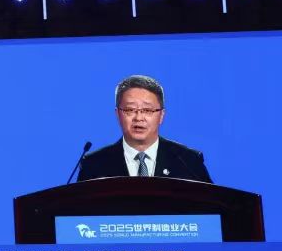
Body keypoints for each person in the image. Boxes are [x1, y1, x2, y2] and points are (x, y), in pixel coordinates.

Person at [77, 75, 212, 183]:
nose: (139, 117)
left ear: (161, 115)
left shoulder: (188, 161)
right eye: (130, 110)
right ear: (118, 114)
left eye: (147, 110)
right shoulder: (93, 164)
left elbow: (212, 205)